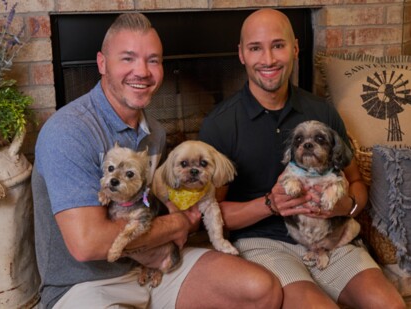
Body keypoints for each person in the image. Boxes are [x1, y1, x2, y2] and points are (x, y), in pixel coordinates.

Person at [32, 12, 282, 309]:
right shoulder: (68, 130)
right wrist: (177, 224)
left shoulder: (155, 132)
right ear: (102, 63)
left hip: (151, 269)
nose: (142, 71)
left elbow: (149, 201)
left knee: (262, 290)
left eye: (153, 60)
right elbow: (88, 244)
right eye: (128, 59)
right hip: (85, 286)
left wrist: (180, 216)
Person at [199, 8, 406, 309]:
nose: (268, 59)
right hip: (264, 244)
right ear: (242, 54)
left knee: (391, 306)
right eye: (256, 48)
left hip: (331, 236)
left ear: (295, 48)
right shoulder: (219, 125)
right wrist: (270, 204)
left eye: (278, 45)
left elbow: (357, 182)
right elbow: (209, 213)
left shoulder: (321, 113)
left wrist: (346, 206)